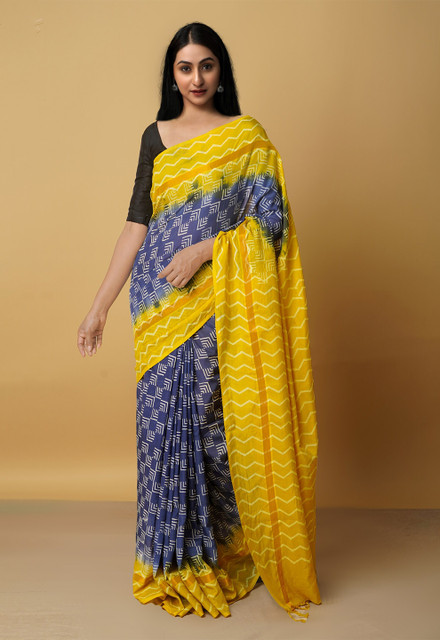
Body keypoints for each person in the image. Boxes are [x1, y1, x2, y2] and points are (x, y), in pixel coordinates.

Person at [77, 21, 322, 622]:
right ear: (172, 74)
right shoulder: (156, 136)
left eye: (206, 66)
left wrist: (207, 250)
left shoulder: (246, 137)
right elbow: (136, 224)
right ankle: (171, 561)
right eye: (185, 68)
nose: (195, 78)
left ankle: (224, 551)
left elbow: (271, 224)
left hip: (220, 303)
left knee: (214, 428)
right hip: (157, 307)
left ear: (221, 70)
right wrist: (100, 305)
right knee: (161, 429)